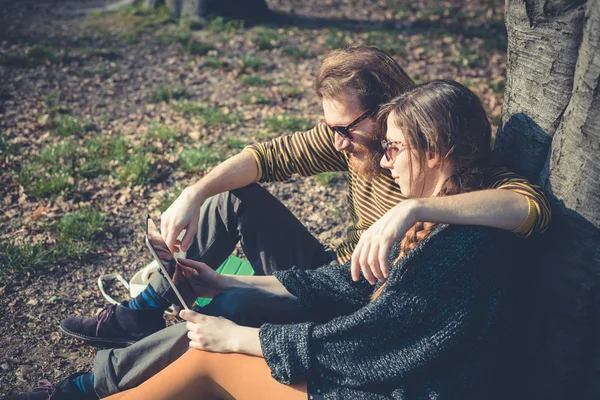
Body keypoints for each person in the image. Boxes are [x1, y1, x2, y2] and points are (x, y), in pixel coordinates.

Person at [58, 45, 550, 351]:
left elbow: (529, 207)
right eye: (329, 127)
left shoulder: (447, 163)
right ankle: (141, 312)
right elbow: (264, 156)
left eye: (344, 127)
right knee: (231, 200)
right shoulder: (355, 144)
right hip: (341, 276)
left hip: (369, 306)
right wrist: (194, 191)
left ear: (386, 114)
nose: (336, 140)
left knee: (230, 310)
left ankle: (134, 362)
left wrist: (412, 208)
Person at [92, 79, 526, 400]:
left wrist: (238, 339)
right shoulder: (432, 216)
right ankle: (128, 334)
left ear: (434, 151)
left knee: (216, 348)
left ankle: (88, 385)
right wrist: (224, 280)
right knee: (225, 306)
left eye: (393, 147)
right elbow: (347, 284)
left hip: (395, 388)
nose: (385, 160)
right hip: (375, 352)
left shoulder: (460, 241)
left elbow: (367, 346)